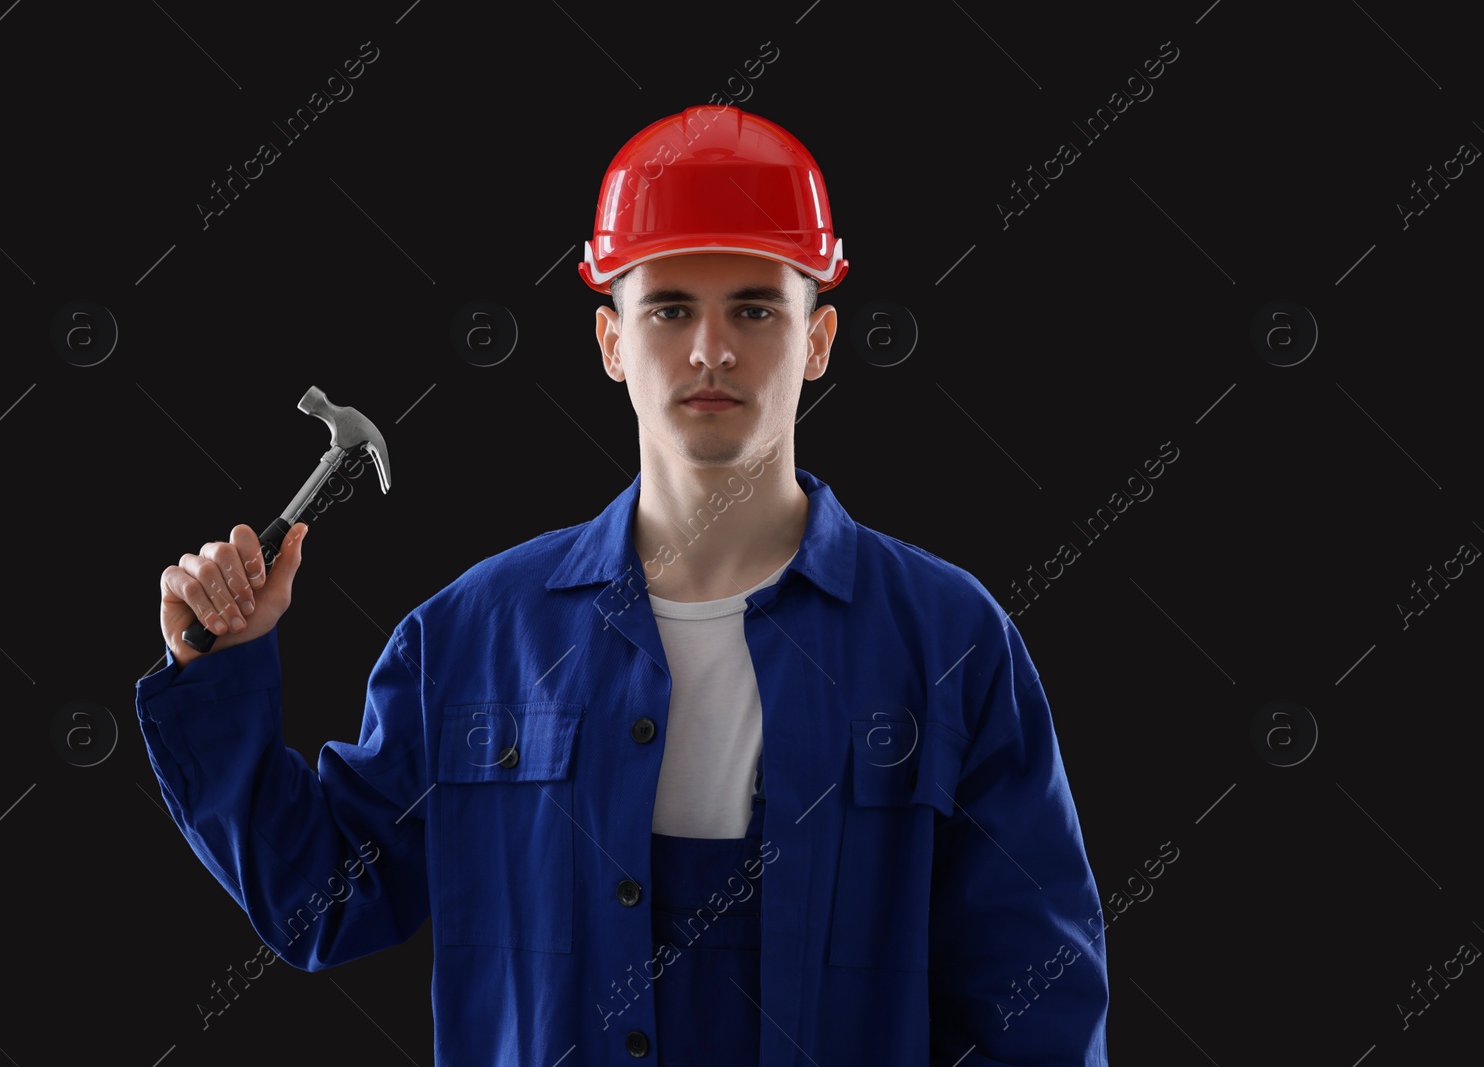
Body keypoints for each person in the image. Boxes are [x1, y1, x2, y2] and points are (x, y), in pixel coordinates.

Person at [138, 105, 1110, 1066]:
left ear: (818, 339)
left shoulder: (947, 644)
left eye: (756, 306)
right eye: (670, 306)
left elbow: (1036, 1004)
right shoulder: (472, 638)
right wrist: (222, 665)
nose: (709, 350)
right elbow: (323, 900)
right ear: (611, 341)